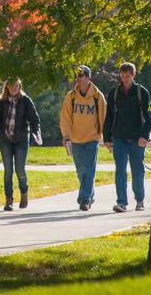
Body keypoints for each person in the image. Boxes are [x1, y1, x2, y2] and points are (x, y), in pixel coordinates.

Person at [105, 62, 151, 213]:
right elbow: (109, 116)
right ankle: (122, 202)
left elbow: (148, 116)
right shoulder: (114, 93)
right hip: (119, 137)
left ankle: (139, 200)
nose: (125, 79)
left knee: (137, 170)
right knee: (120, 170)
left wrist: (144, 136)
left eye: (128, 76)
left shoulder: (141, 92)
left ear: (133, 75)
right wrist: (107, 138)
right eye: (122, 76)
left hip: (137, 138)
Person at [0, 78, 41, 211]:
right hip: (5, 140)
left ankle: (24, 194)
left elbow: (34, 119)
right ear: (7, 87)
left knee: (20, 169)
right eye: (12, 86)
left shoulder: (25, 100)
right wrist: (1, 132)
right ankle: (9, 200)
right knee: (8, 171)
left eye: (17, 86)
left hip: (21, 140)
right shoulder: (2, 102)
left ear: (20, 86)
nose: (14, 88)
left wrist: (35, 133)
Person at [60, 65, 107, 210]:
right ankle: (90, 195)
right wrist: (66, 135)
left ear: (88, 78)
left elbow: (103, 118)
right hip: (75, 139)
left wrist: (106, 138)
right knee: (81, 170)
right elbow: (65, 118)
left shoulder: (98, 97)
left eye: (82, 76)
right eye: (77, 76)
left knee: (90, 169)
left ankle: (84, 200)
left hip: (92, 138)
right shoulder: (71, 97)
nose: (78, 79)